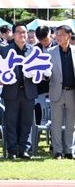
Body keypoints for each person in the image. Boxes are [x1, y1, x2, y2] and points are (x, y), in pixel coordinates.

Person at [0, 24, 37, 160]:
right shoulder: (5, 50)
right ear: (13, 34)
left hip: (28, 92)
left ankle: (25, 150)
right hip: (11, 92)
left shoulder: (33, 51)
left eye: (24, 32)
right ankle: (12, 150)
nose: (22, 35)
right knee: (11, 122)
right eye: (19, 32)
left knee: (27, 123)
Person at [45, 25, 75, 160]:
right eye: (57, 34)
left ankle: (70, 150)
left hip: (72, 92)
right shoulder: (50, 52)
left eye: (61, 34)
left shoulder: (74, 51)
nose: (58, 37)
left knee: (71, 124)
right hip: (56, 91)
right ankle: (57, 151)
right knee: (56, 123)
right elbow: (46, 73)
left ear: (69, 36)